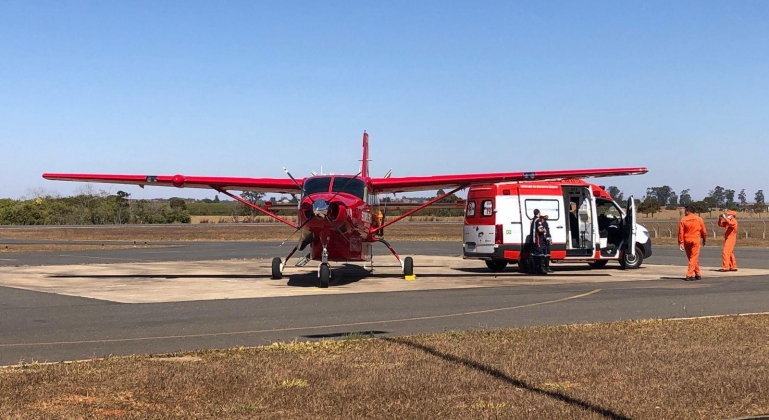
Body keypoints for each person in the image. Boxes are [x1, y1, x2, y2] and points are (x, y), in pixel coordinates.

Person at [678, 205, 707, 281]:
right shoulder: (699, 219)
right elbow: (704, 231)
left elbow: (680, 232)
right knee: (693, 257)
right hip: (695, 240)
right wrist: (704, 239)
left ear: (688, 211)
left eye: (685, 211)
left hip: (686, 240)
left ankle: (698, 273)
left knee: (692, 258)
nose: (684, 212)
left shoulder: (683, 220)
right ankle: (689, 274)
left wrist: (681, 242)